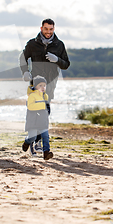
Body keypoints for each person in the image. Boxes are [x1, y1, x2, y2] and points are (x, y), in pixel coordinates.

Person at [19, 18, 70, 153]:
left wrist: (57, 59)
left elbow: (66, 64)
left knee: (45, 112)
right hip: (35, 84)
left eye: (51, 29)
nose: (48, 32)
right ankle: (33, 141)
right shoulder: (32, 44)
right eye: (46, 29)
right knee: (34, 112)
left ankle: (36, 142)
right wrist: (25, 72)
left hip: (50, 85)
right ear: (41, 28)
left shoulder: (59, 45)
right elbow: (22, 58)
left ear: (54, 29)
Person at [22, 75, 53, 160]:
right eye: (40, 85)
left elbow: (47, 107)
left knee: (45, 136)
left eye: (44, 85)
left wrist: (47, 112)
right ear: (35, 86)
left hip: (42, 120)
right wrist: (43, 105)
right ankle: (26, 142)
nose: (43, 87)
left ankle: (46, 152)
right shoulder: (31, 96)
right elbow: (30, 107)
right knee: (32, 137)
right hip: (33, 120)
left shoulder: (45, 96)